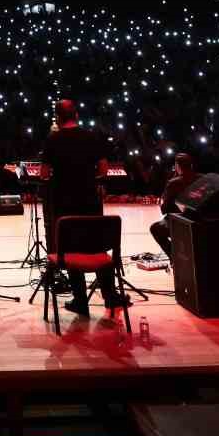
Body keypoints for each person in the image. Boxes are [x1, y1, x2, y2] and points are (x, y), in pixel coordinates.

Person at [42, 99, 126, 315]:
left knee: (70, 248)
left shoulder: (53, 139)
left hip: (64, 203)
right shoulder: (92, 137)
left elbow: (43, 173)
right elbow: (104, 170)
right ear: (76, 115)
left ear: (58, 118)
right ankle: (110, 296)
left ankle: (80, 301)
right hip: (90, 200)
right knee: (97, 245)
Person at [149, 152, 196, 258]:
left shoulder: (174, 182)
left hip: (180, 220)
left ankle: (173, 256)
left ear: (177, 166)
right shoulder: (201, 178)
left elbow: (165, 209)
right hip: (198, 219)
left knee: (155, 229)